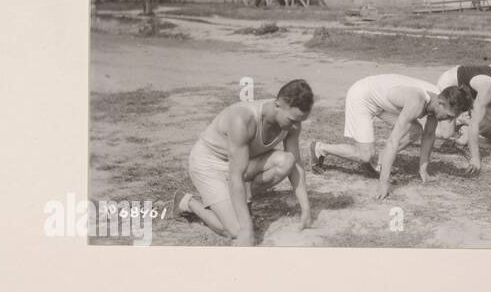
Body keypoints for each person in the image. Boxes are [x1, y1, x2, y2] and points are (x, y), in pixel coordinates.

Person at [175, 80, 314, 246]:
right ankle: (186, 202)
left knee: (287, 160)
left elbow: (296, 163)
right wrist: (246, 230)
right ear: (278, 105)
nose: (296, 126)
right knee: (235, 230)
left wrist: (305, 208)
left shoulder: (291, 123)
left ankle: (240, 202)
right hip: (209, 163)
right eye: (292, 120)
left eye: (300, 121)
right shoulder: (243, 119)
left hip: (241, 163)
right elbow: (236, 177)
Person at [311, 74, 474, 199]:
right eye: (449, 115)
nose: (450, 120)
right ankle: (320, 148)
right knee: (366, 155)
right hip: (362, 96)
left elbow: (429, 135)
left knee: (416, 130)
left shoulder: (435, 103)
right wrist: (384, 183)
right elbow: (393, 142)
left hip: (381, 101)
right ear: (441, 103)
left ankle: (379, 163)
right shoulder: (417, 102)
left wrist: (423, 170)